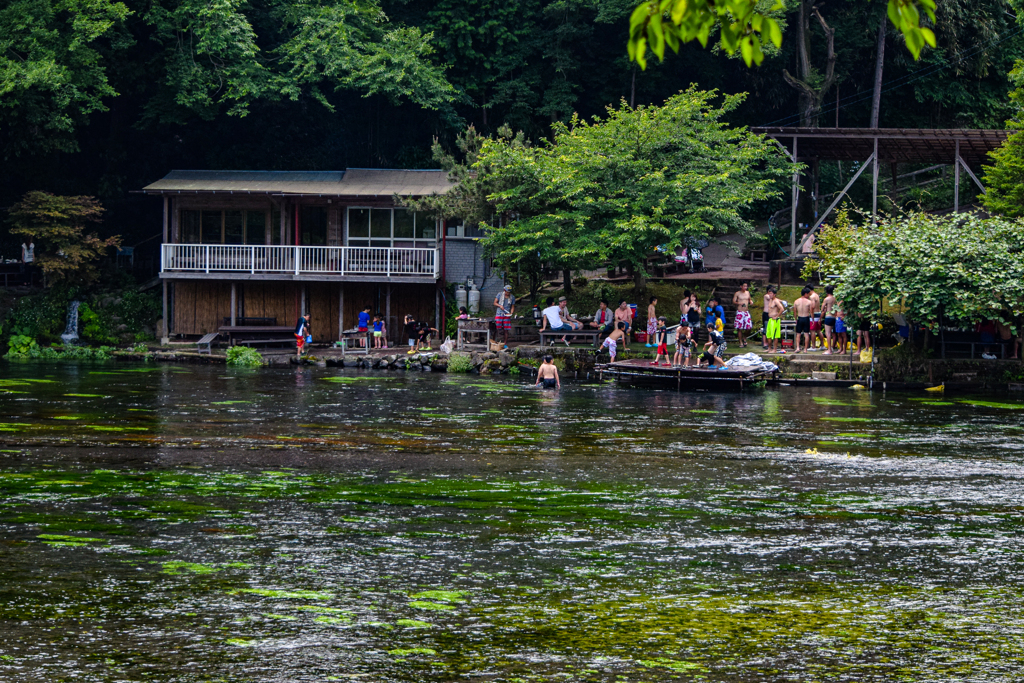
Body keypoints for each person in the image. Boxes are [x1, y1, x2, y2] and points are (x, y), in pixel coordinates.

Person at [792, 287, 814, 353]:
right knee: (806, 334)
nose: (809, 296)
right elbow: (811, 312)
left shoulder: (796, 301)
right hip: (806, 318)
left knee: (798, 334)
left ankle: (798, 348)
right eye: (808, 294)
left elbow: (795, 312)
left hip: (800, 318)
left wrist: (796, 319)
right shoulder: (809, 302)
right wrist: (812, 319)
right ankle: (805, 349)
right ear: (805, 294)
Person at [732, 282, 753, 348]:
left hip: (746, 311)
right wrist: (739, 303)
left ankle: (744, 338)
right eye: (744, 286)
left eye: (746, 286)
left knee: (749, 327)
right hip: (740, 311)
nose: (745, 287)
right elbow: (733, 301)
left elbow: (749, 299)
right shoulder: (737, 293)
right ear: (741, 286)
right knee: (739, 328)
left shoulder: (747, 293)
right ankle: (740, 342)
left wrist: (751, 302)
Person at [765, 289, 785, 354]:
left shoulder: (776, 301)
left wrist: (777, 316)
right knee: (769, 334)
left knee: (775, 335)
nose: (770, 295)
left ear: (774, 294)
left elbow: (782, 309)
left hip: (775, 320)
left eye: (771, 294)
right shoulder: (771, 300)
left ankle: (775, 349)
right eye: (769, 293)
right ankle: (769, 348)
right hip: (770, 319)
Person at [821, 285, 838, 354]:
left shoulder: (826, 299)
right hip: (834, 317)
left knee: (828, 333)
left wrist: (825, 308)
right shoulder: (835, 299)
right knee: (833, 333)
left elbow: (822, 309)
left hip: (828, 316)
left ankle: (829, 349)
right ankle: (833, 347)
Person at [807, 284, 823, 350]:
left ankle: (813, 346)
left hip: (814, 314)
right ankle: (822, 345)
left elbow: (813, 306)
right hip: (818, 313)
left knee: (812, 331)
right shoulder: (817, 295)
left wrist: (811, 313)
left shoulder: (812, 297)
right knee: (818, 330)